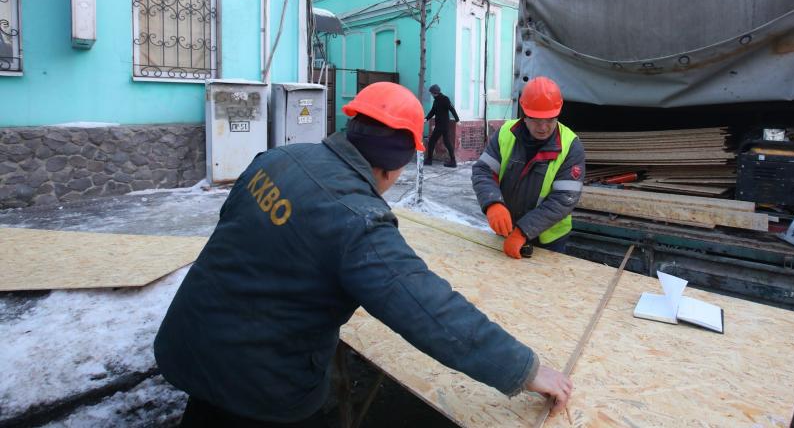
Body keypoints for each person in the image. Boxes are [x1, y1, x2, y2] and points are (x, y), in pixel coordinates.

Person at [154, 82, 572, 426]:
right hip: (263, 387)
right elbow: (429, 310)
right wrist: (525, 369)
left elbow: (236, 230)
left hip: (189, 343)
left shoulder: (279, 158)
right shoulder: (358, 218)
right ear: (394, 166)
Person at [472, 77, 586, 259]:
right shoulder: (505, 134)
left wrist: (523, 231)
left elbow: (564, 199)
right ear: (524, 114)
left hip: (550, 241)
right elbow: (483, 171)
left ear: (558, 114)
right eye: (535, 119)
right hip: (508, 232)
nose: (543, 127)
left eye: (550, 120)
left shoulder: (570, 146)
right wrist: (493, 203)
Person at [424, 83, 459, 167]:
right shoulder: (436, 100)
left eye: (431, 93)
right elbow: (433, 111)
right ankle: (453, 161)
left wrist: (457, 120)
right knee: (447, 142)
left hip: (442, 125)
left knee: (432, 141)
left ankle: (429, 160)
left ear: (434, 92)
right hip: (441, 125)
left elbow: (452, 109)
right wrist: (426, 118)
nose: (431, 94)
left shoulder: (445, 99)